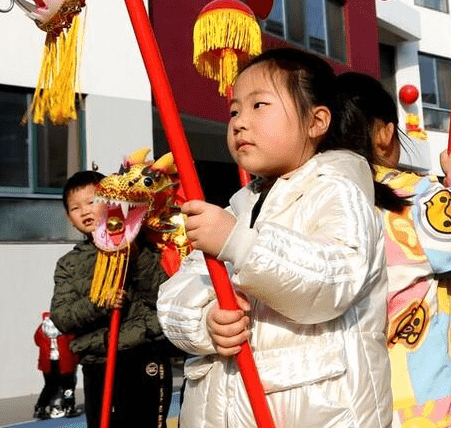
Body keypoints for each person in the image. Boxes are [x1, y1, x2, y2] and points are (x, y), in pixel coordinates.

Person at [157, 48, 391, 428]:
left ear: (316, 121)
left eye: (259, 106)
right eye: (234, 111)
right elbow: (176, 294)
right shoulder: (237, 209)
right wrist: (206, 322)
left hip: (316, 412)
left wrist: (239, 245)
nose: (239, 123)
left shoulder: (338, 192)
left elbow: (331, 281)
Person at [333, 71, 451, 428]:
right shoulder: (406, 200)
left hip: (361, 401)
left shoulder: (322, 197)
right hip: (428, 403)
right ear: (385, 133)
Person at [50, 170, 174, 428]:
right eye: (75, 207)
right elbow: (61, 318)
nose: (85, 211)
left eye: (92, 200)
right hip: (98, 362)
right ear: (68, 218)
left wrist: (135, 251)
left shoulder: (142, 244)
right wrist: (98, 303)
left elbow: (161, 294)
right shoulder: (69, 264)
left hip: (141, 354)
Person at [34, 311, 78, 419]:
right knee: (68, 385)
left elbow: (37, 340)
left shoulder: (42, 329)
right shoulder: (65, 329)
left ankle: (40, 407)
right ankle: (68, 406)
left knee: (49, 386)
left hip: (48, 361)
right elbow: (73, 340)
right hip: (65, 360)